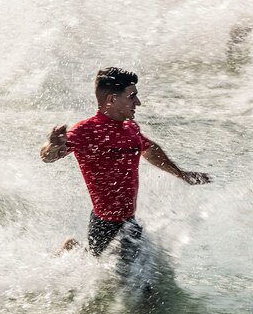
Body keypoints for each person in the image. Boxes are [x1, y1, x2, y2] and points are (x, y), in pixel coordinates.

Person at [40, 67, 210, 271]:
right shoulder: (86, 130)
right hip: (105, 222)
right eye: (132, 97)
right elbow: (49, 157)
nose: (137, 102)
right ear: (112, 99)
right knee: (109, 276)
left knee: (138, 279)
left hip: (129, 221)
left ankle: (73, 248)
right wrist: (53, 145)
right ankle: (71, 248)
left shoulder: (130, 128)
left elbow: (149, 149)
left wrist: (181, 175)